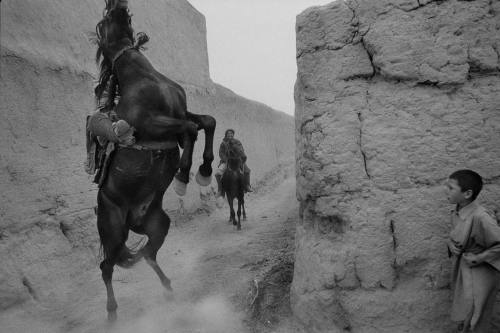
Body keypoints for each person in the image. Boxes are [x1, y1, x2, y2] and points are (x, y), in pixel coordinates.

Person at [445, 169, 500, 333]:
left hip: (479, 272)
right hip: (464, 270)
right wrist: (449, 243)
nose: (445, 191)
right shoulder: (457, 211)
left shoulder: (481, 217)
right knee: (465, 313)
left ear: (467, 193)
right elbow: (458, 234)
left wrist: (480, 257)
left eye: (450, 188)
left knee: (475, 315)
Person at [215, 129, 252, 196]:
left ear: (233, 134)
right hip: (227, 161)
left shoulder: (237, 142)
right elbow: (221, 153)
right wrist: (225, 159)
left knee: (247, 171)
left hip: (237, 160)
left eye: (231, 133)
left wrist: (241, 157)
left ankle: (247, 186)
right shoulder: (223, 143)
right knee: (217, 173)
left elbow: (241, 150)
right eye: (228, 134)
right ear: (226, 135)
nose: (230, 135)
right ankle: (220, 190)